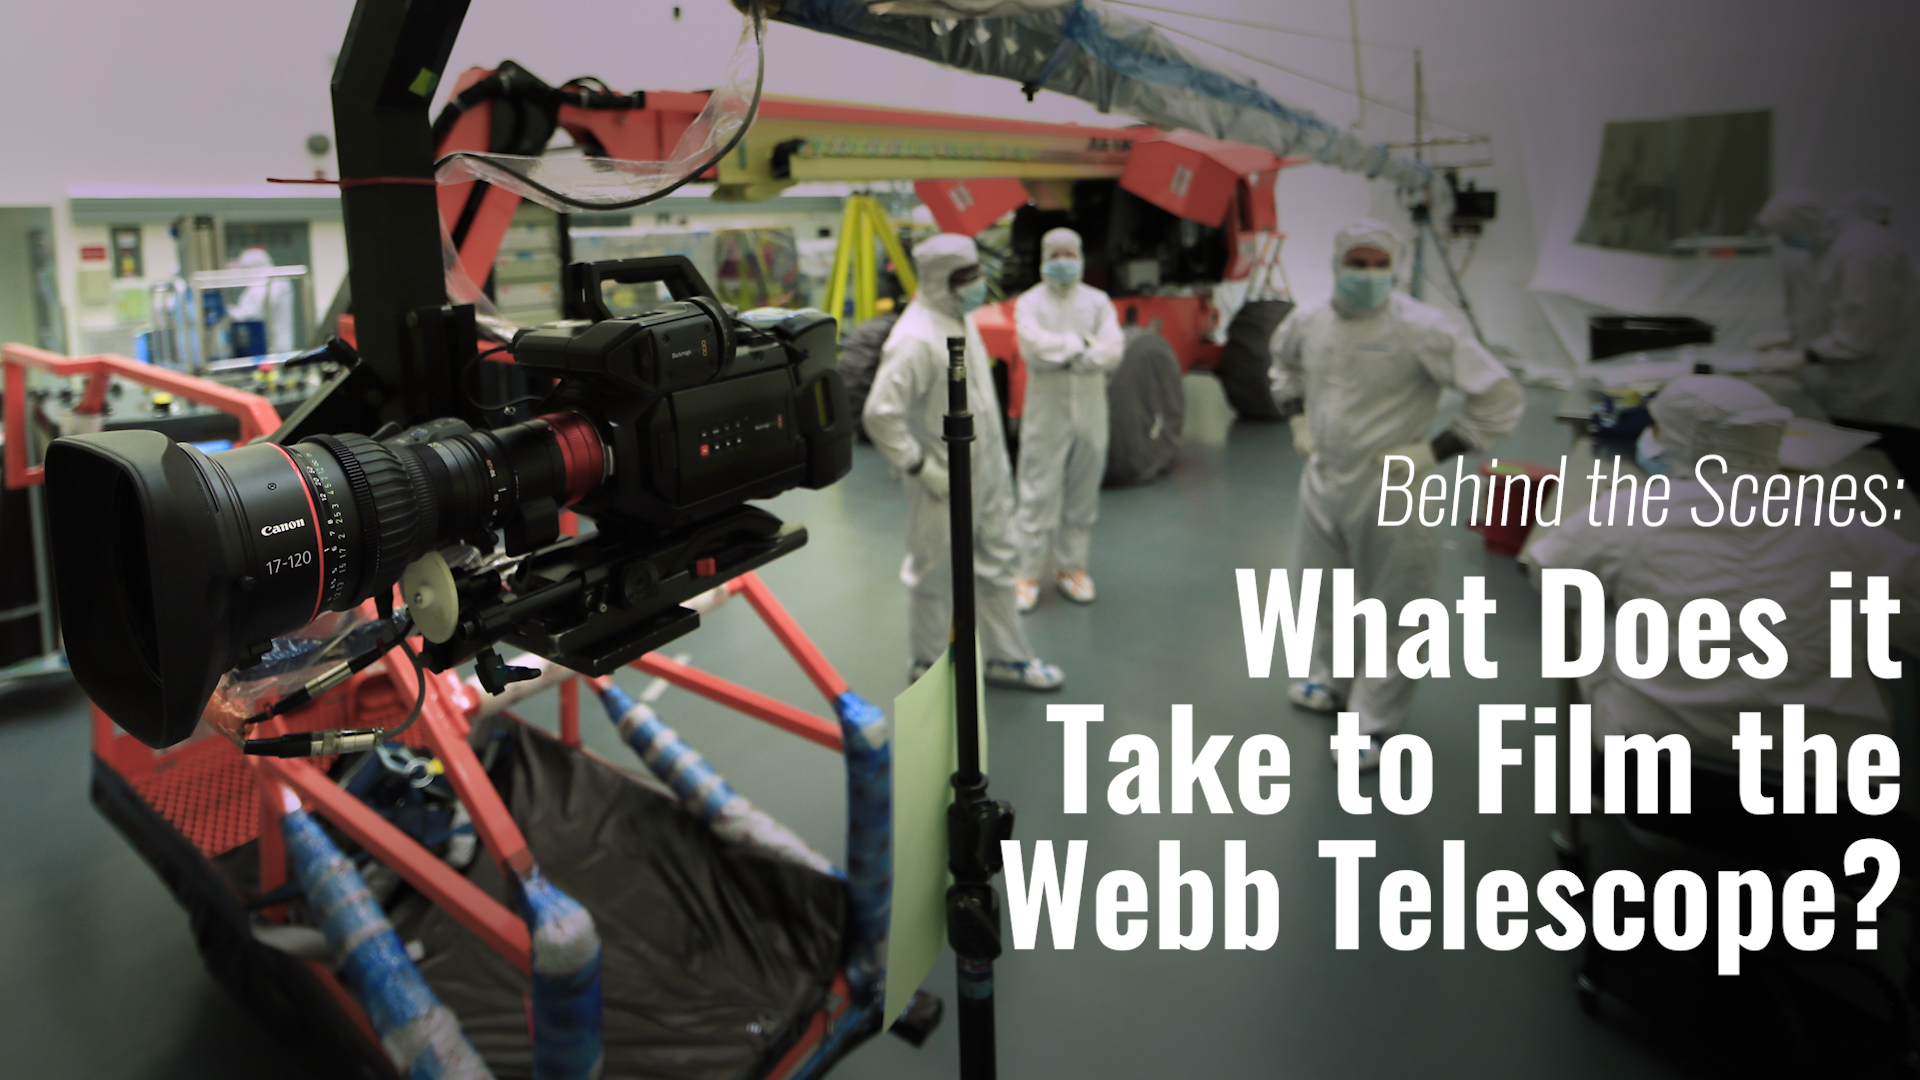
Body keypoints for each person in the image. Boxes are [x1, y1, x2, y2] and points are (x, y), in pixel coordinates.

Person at [1526, 375, 1920, 763]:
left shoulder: (1632, 509)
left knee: (1594, 612)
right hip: (1825, 790)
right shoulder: (1845, 530)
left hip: (1656, 774)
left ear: (1685, 440)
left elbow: (1550, 574)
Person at [1269, 219, 1524, 768]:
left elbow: (1500, 395)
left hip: (1397, 480)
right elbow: (1282, 367)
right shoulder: (1308, 320)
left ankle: (1375, 720)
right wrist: (1297, 423)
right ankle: (1331, 679)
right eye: (1357, 263)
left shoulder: (1425, 328)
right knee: (1321, 587)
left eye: (1379, 264)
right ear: (1337, 263)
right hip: (1324, 473)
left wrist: (1438, 450)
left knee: (1399, 601)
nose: (1367, 275)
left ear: (1396, 268)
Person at [863, 233, 1066, 690]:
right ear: (938, 280)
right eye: (966, 277)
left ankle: (1006, 658)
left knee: (999, 562)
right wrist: (918, 467)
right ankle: (929, 668)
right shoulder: (914, 338)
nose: (977, 284)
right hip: (941, 478)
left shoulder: (960, 317)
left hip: (988, 471)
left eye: (977, 272)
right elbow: (879, 414)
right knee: (934, 573)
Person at [1011, 227, 1125, 611]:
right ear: (1044, 257)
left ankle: (1071, 569)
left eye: (1068, 253)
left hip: (1092, 409)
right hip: (1047, 410)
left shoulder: (1097, 302)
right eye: (1055, 254)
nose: (1063, 261)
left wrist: (1068, 352)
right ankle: (1026, 575)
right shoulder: (1029, 303)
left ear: (1079, 255)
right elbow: (1033, 349)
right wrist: (1082, 346)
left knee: (1083, 489)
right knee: (1037, 490)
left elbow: (1112, 350)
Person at [226, 246, 296, 354]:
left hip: (271, 346)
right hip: (276, 344)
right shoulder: (276, 280)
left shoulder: (268, 283)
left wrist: (227, 311)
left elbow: (250, 314)